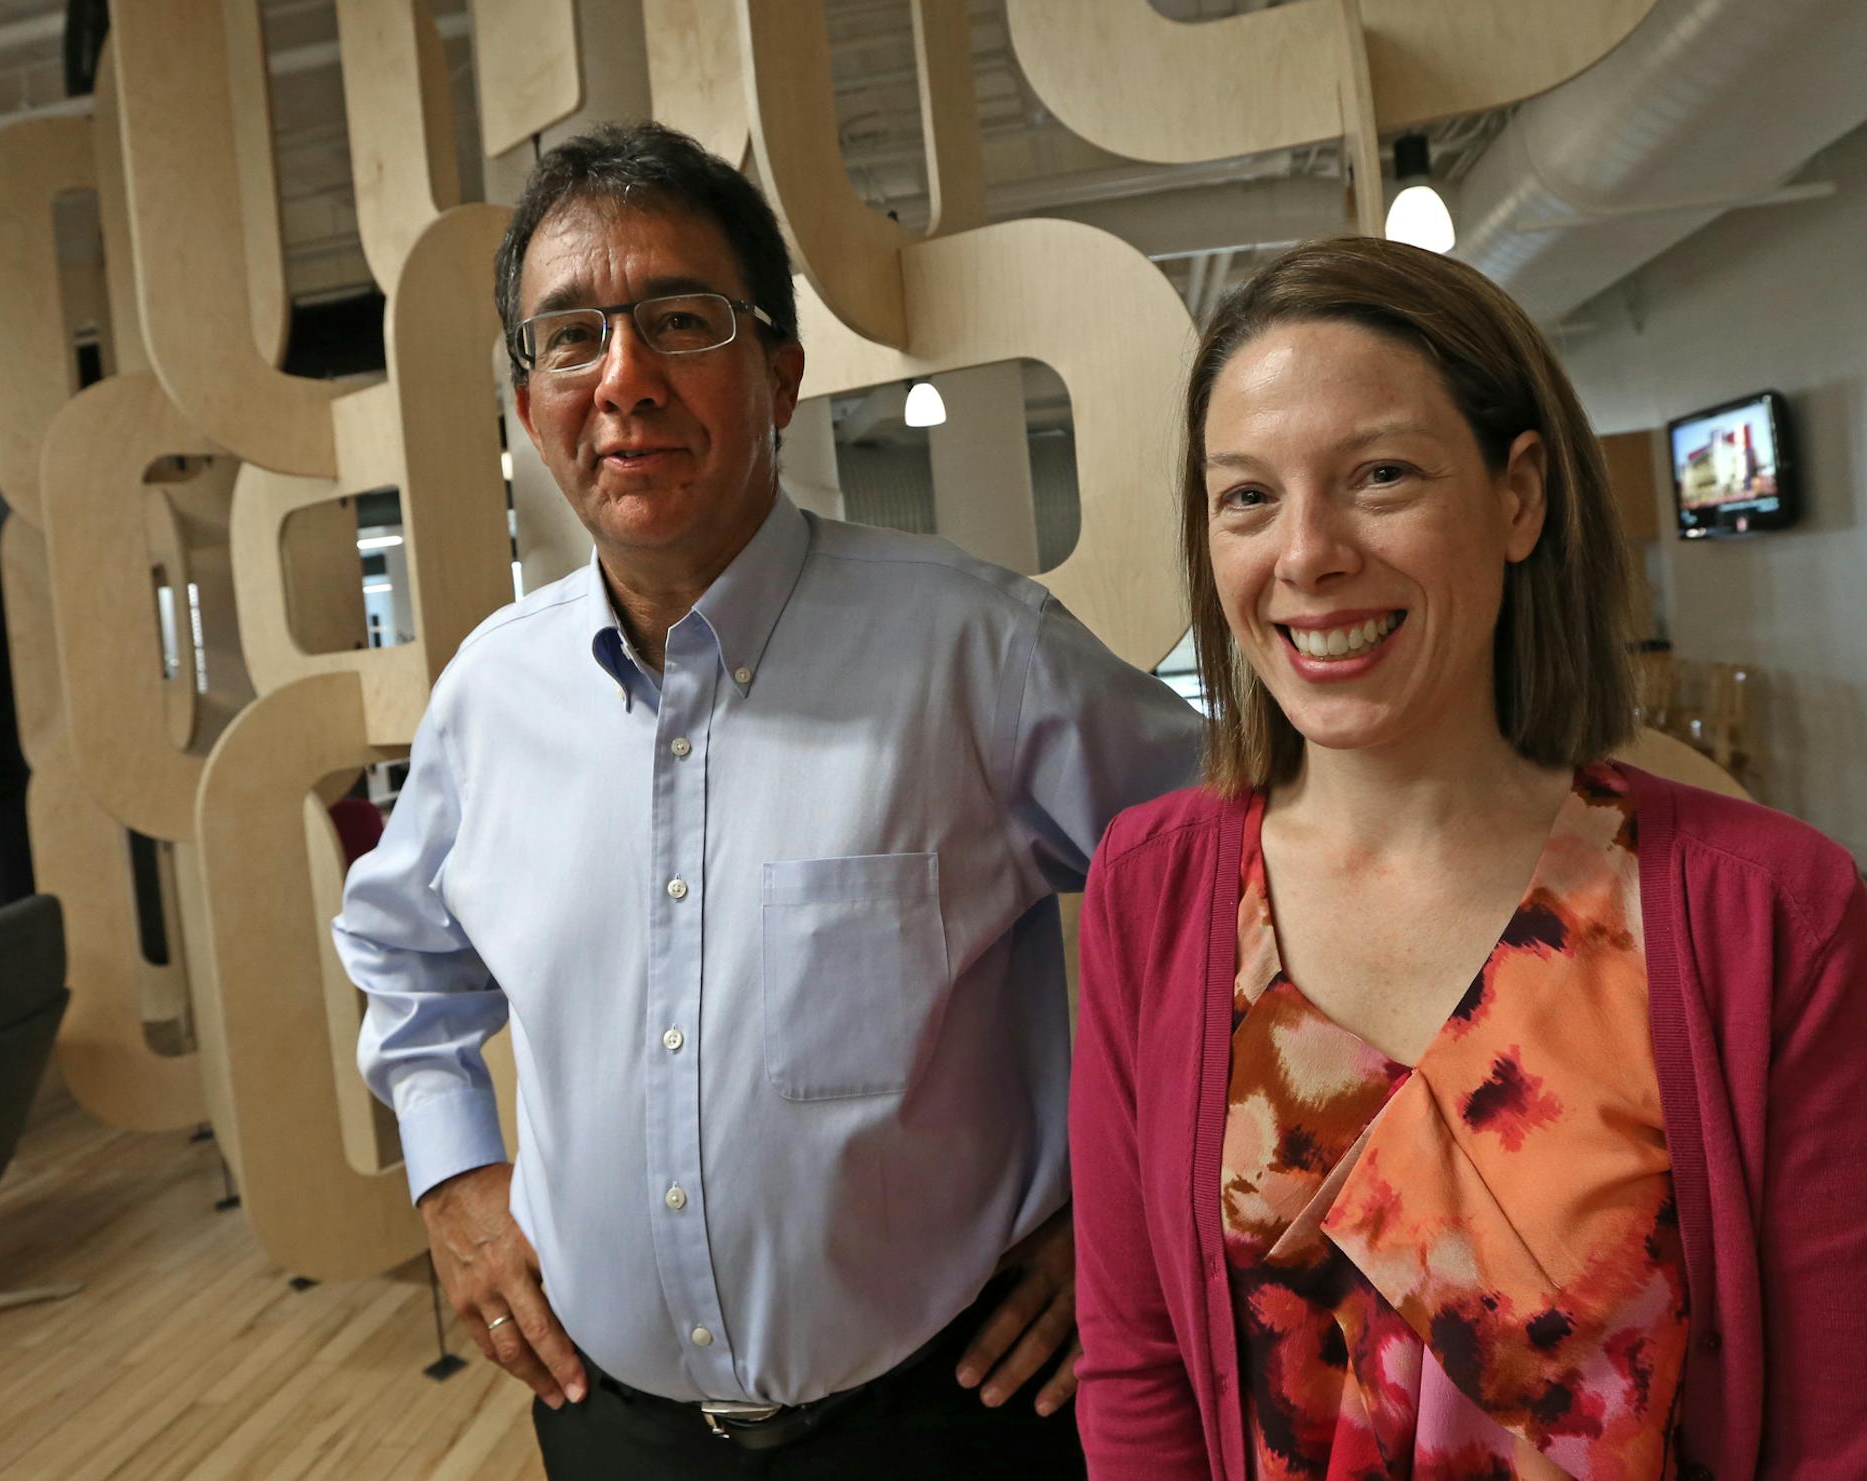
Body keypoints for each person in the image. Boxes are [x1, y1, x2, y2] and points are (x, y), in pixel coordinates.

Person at [332, 122, 1199, 1477]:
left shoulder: (978, 652)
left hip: (949, 1421)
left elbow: (1247, 902)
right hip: (611, 1429)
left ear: (779, 372)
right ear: (527, 405)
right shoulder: (489, 701)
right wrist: (451, 1174)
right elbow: (400, 952)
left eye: (679, 319)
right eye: (568, 336)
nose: (622, 380)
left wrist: (1136, 1210)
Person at [1069, 236, 1867, 1479]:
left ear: (1521, 496)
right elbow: (1137, 1362)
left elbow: (1834, 1423)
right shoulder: (1154, 887)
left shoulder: (1771, 913)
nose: (1307, 553)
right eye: (1248, 496)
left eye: (1379, 474)